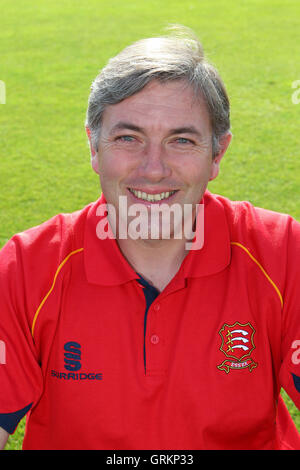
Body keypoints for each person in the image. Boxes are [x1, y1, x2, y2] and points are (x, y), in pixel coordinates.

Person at [0, 27, 299, 451]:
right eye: (128, 138)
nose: (154, 169)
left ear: (217, 154)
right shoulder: (27, 267)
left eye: (181, 140)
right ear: (93, 145)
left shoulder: (282, 251)